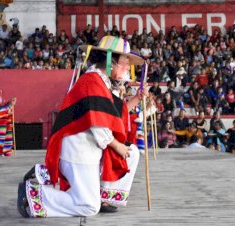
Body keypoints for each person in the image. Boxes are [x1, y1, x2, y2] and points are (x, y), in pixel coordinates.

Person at [17, 35, 147, 218]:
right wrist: (117, 145)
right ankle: (35, 195)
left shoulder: (101, 82)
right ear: (111, 60)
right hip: (78, 150)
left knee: (131, 153)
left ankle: (103, 197)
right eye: (125, 62)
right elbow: (98, 123)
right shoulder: (92, 82)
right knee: (88, 207)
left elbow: (116, 114)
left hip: (91, 148)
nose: (127, 68)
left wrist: (137, 98)